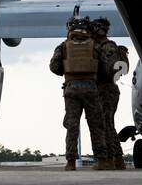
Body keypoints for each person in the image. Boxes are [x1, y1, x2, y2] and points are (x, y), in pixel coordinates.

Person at [49, 16, 111, 171]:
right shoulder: (96, 46)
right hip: (91, 88)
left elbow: (54, 67)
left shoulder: (63, 46)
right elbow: (106, 69)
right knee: (96, 125)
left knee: (72, 126)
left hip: (71, 89)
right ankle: (101, 160)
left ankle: (70, 162)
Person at [91, 17, 128, 170]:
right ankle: (116, 159)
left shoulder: (107, 47)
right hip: (104, 89)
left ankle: (112, 159)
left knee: (106, 125)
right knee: (107, 124)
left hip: (106, 89)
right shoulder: (102, 46)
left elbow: (110, 70)